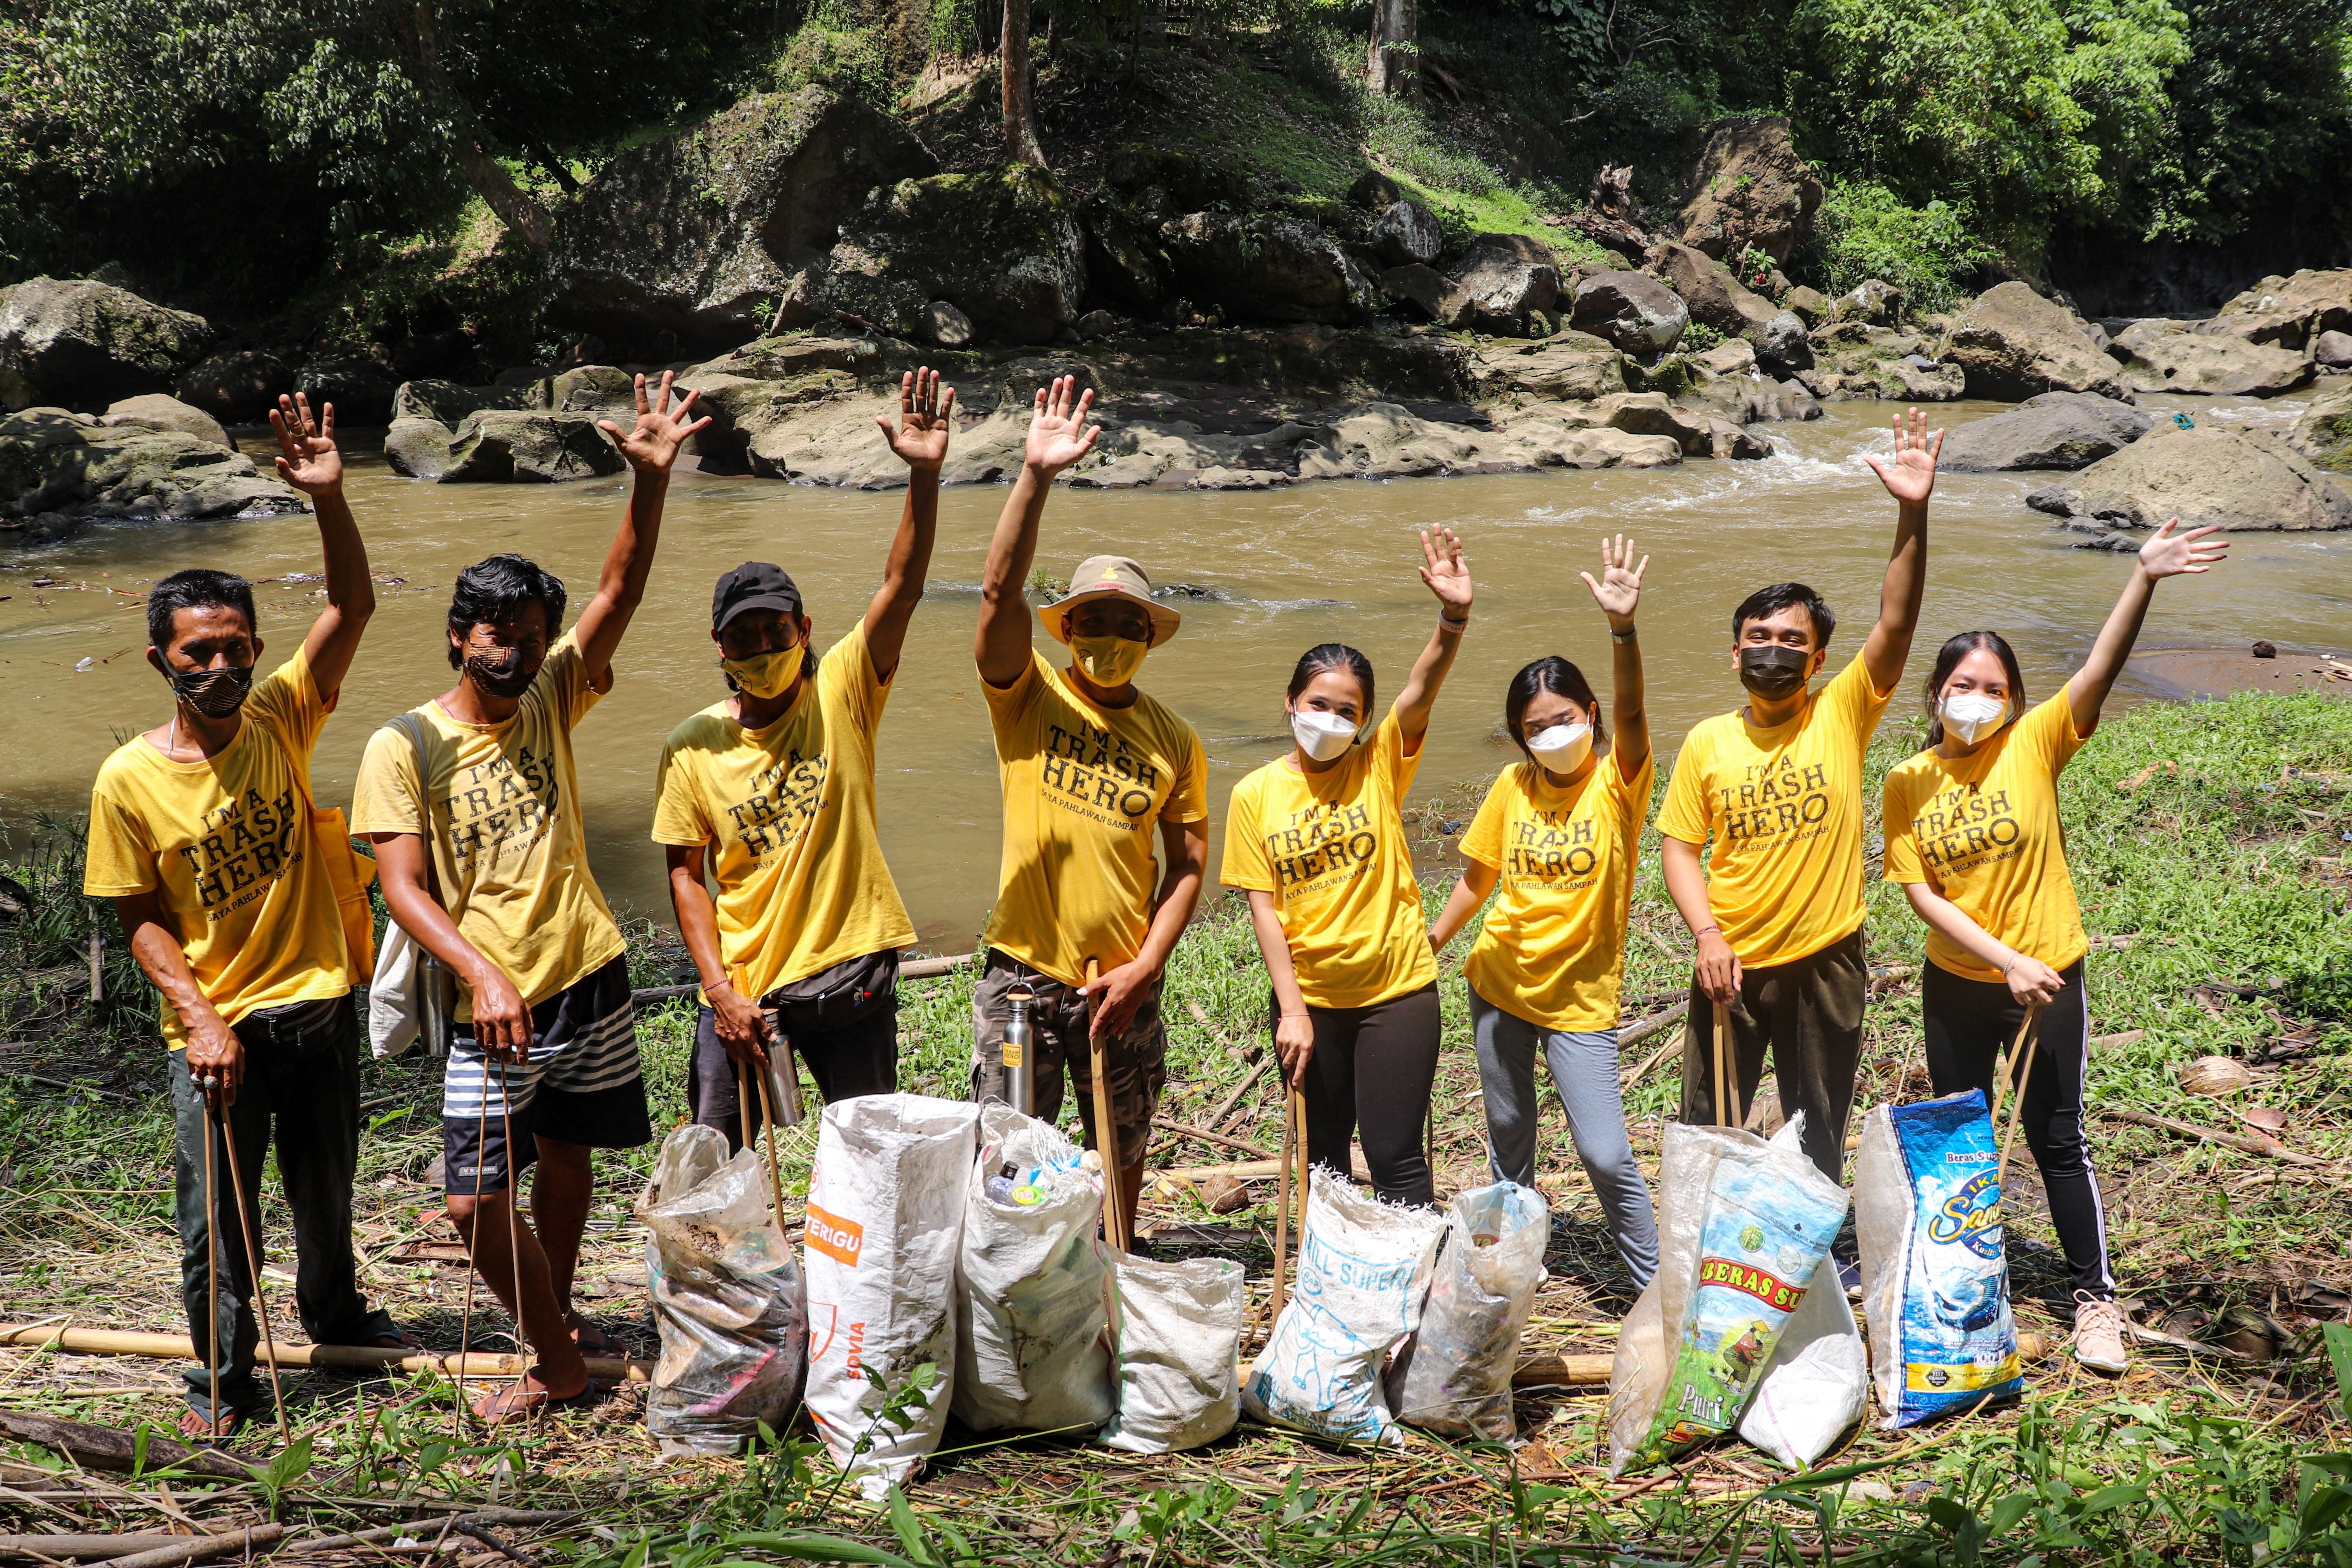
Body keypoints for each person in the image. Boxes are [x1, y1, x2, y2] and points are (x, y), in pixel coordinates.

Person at [352, 372, 707, 1425]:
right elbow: (401, 887)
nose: (512, 647)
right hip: (490, 1001)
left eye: (530, 630)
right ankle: (554, 1356)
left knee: (567, 1150)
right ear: (458, 635)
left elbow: (622, 589)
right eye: (494, 630)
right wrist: (483, 973)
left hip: (589, 970)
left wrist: (648, 480)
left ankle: (552, 1315)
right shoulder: (404, 742)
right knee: (471, 1198)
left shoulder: (551, 692)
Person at [85, 394, 415, 1440]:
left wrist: (331, 497)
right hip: (217, 1032)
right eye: (197, 656)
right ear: (161, 662)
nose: (221, 669)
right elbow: (135, 912)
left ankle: (338, 1321)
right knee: (215, 1227)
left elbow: (354, 605)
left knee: (328, 1190)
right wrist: (202, 1015)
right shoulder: (127, 780)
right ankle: (220, 1386)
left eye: (235, 648)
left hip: (317, 1005)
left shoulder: (280, 711)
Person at [1883, 518, 2227, 1375]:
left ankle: (2094, 1299)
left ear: (2013, 698)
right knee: (1959, 1136)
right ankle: (1963, 1283)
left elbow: (2099, 667)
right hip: (1961, 980)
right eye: (1963, 683)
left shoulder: (2034, 744)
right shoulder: (1906, 781)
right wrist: (2001, 958)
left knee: (2056, 1138)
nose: (1977, 698)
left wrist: (2142, 577)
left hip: (2049, 979)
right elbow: (1922, 893)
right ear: (1934, 693)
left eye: (1994, 686)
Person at [655, 369, 954, 1146]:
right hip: (746, 991)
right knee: (718, 1157)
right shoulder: (693, 745)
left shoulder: (844, 688)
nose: (762, 649)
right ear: (720, 648)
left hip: (851, 972)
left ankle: (851, 1271)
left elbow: (903, 583)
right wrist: (719, 989)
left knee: (869, 1155)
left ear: (804, 628)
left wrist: (923, 476)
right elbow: (687, 875)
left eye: (775, 631)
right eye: (744, 638)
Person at [1659, 408, 1941, 1183]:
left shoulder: (1843, 709)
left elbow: (1898, 618)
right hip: (1731, 962)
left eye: (1792, 641)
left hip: (1826, 958)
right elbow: (1679, 846)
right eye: (1759, 636)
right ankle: (1709, 1266)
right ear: (1734, 652)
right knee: (1708, 1127)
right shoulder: (1708, 740)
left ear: (1818, 658)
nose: (1773, 650)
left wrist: (1911, 508)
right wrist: (1708, 935)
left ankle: (1807, 1264)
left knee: (1819, 1127)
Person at [969, 375, 1208, 1248]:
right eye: (1094, 621)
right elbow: (997, 599)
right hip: (1023, 979)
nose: (1111, 636)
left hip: (1123, 986)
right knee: (1010, 1158)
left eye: (1128, 623)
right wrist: (1035, 477)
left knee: (1124, 1149)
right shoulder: (1029, 698)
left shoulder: (1174, 738)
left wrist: (1146, 965)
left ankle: (1113, 1274)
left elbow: (1187, 865)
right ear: (1067, 632)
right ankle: (1020, 1290)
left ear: (1149, 637)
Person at [1427, 534, 1658, 1283]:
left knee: (1605, 1151)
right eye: (1535, 727)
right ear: (1520, 735)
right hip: (1499, 984)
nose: (1551, 734)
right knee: (1508, 1134)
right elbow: (1478, 876)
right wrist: (1430, 938)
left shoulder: (1618, 784)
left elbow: (1633, 707)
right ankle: (1511, 1267)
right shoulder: (1512, 785)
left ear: (1589, 714)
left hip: (1579, 1002)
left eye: (1563, 718)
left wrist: (1622, 630)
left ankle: (1650, 1282)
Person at [1224, 526, 1474, 1209]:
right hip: (1311, 1002)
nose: (1331, 720)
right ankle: (1330, 1291)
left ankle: (1413, 1304)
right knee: (1325, 1163)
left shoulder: (1379, 764)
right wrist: (1294, 1011)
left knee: (1396, 1160)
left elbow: (1422, 687)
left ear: (1365, 724)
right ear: (1291, 703)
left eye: (1348, 712)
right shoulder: (1255, 792)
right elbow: (1264, 908)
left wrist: (1452, 618)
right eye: (1318, 705)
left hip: (1397, 992)